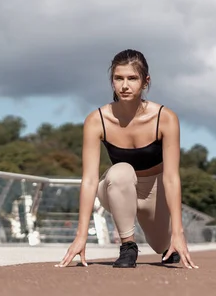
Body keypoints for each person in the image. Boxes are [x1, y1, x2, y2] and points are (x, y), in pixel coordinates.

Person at [56, 49, 198, 269]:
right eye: (118, 78)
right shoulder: (97, 120)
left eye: (132, 78)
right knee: (121, 170)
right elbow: (90, 180)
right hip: (117, 188)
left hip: (154, 191)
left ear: (145, 81)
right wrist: (80, 235)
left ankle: (167, 243)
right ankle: (128, 247)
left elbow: (171, 178)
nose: (124, 85)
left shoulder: (165, 118)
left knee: (163, 245)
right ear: (112, 81)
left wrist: (178, 233)